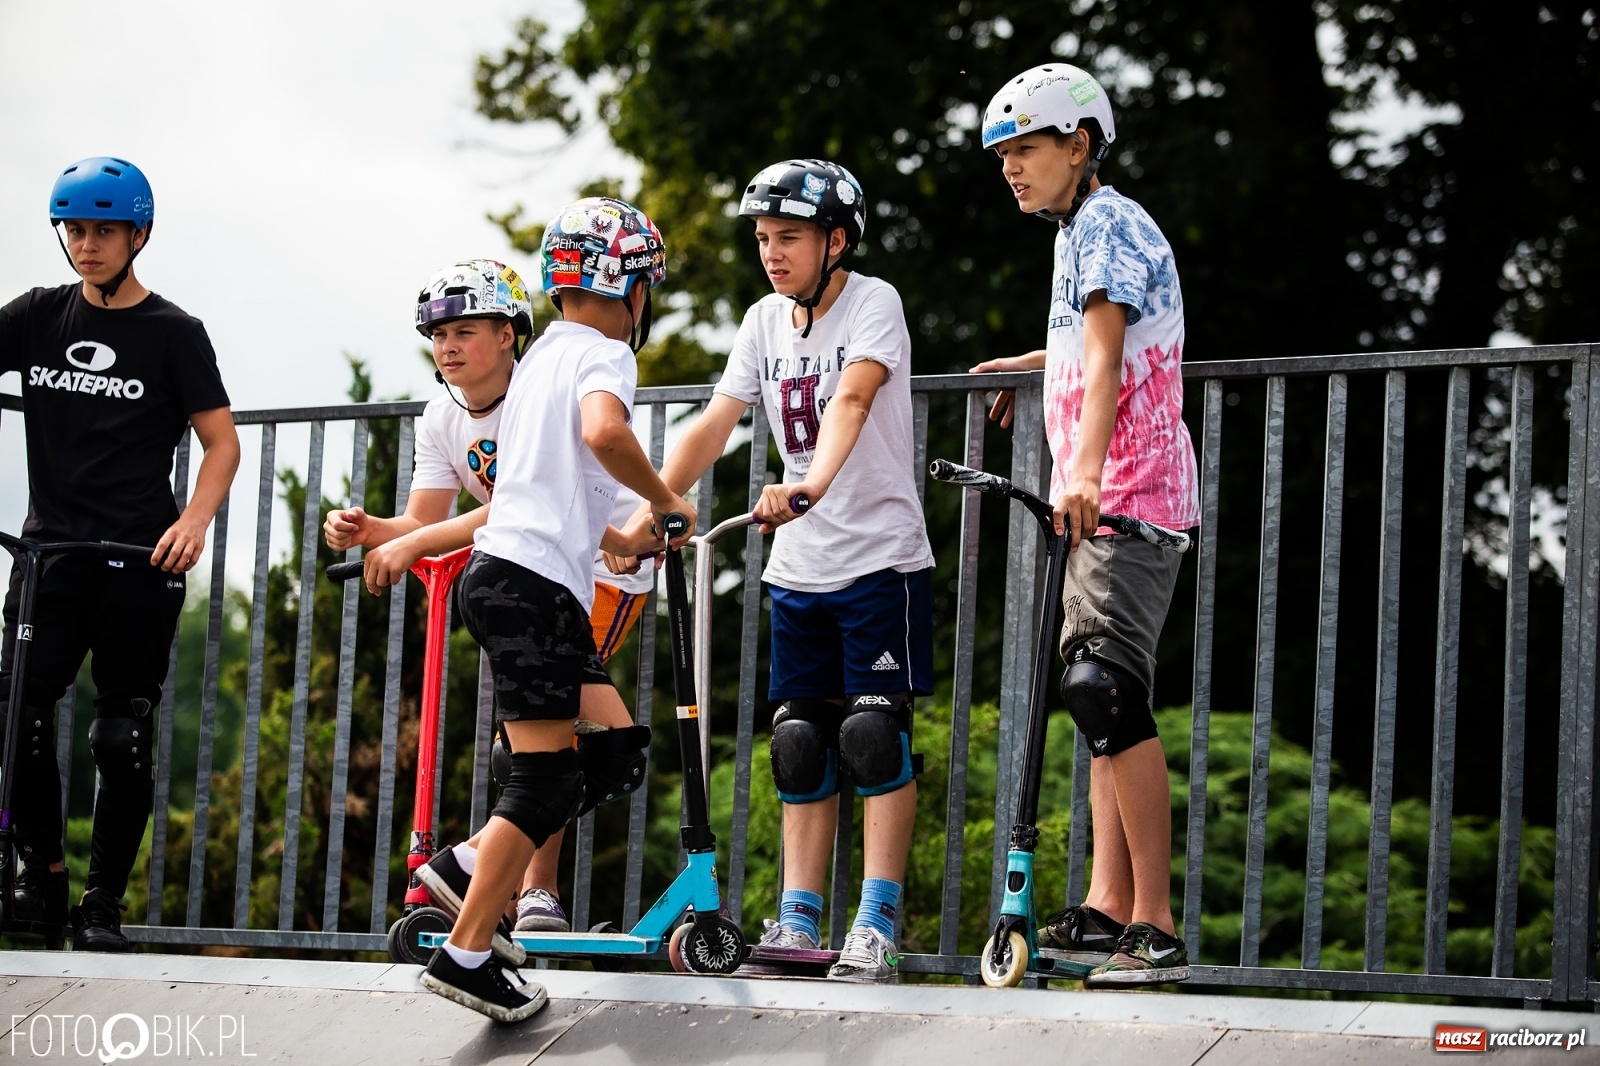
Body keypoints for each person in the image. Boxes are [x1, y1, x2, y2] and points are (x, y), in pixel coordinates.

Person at [645, 159, 934, 984]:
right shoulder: (763, 320)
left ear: (836, 241)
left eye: (790, 238)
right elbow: (715, 424)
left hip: (878, 559)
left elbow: (852, 401)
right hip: (799, 568)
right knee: (800, 743)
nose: (772, 253)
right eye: (764, 239)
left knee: (873, 737)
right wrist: (649, 509)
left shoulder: (874, 302)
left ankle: (876, 925)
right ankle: (799, 921)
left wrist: (810, 484)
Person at [417, 197, 691, 1023]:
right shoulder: (605, 355)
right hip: (530, 586)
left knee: (612, 753)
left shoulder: (540, 358)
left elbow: (547, 480)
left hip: (520, 577)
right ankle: (467, 952)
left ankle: (468, 863)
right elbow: (605, 435)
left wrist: (619, 536)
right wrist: (665, 500)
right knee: (545, 777)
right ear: (633, 288)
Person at [322, 260, 653, 940]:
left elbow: (515, 502)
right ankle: (489, 894)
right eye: (437, 336)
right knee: (537, 748)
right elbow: (426, 519)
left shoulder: (538, 386)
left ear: (509, 335)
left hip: (599, 571)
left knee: (553, 740)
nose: (447, 348)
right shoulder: (441, 417)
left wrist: (415, 545)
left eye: (464, 332)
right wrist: (373, 530)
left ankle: (528, 891)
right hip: (527, 569)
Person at [972, 64, 1200, 987]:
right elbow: (1101, 343)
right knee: (1097, 697)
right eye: (1002, 155)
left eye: (1025, 148)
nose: (1011, 168)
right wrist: (1038, 362)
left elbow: (1109, 363)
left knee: (1105, 692)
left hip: (1129, 496)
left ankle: (1156, 925)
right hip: (1109, 505)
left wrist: (1086, 472)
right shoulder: (1081, 233)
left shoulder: (1107, 224)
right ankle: (1109, 905)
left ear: (1079, 145)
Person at [0, 156, 240, 951]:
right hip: (48, 558)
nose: (87, 244)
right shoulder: (36, 315)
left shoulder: (174, 333)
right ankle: (41, 878)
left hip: (141, 559)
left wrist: (195, 521)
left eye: (104, 231)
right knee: (16, 714)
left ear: (139, 235)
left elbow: (222, 443)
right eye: (75, 230)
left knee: (120, 735)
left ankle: (101, 902)